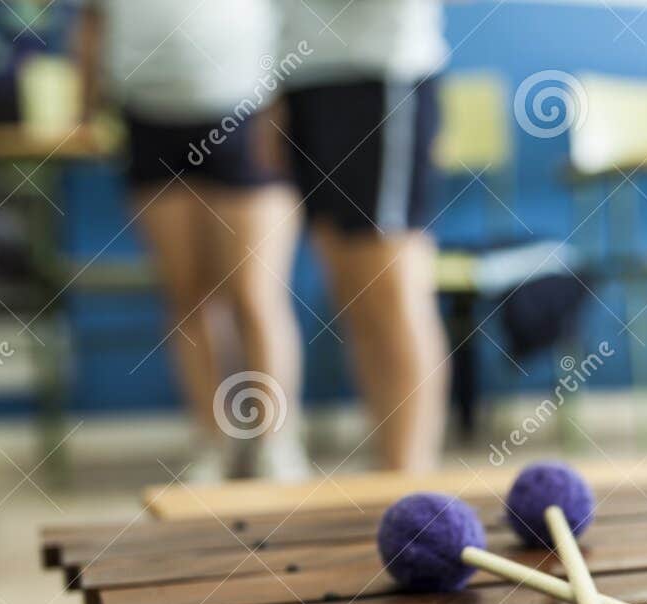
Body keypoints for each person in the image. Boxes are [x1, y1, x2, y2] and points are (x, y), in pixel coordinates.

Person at [75, 0, 309, 482]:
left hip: (249, 109)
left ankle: (276, 442)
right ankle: (213, 443)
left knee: (254, 294)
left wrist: (289, 105)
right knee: (187, 296)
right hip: (148, 117)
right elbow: (92, 22)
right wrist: (85, 108)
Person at [277, 0, 450, 472]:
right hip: (302, 79)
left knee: (390, 287)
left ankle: (409, 477)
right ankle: (390, 470)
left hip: (382, 74)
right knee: (353, 292)